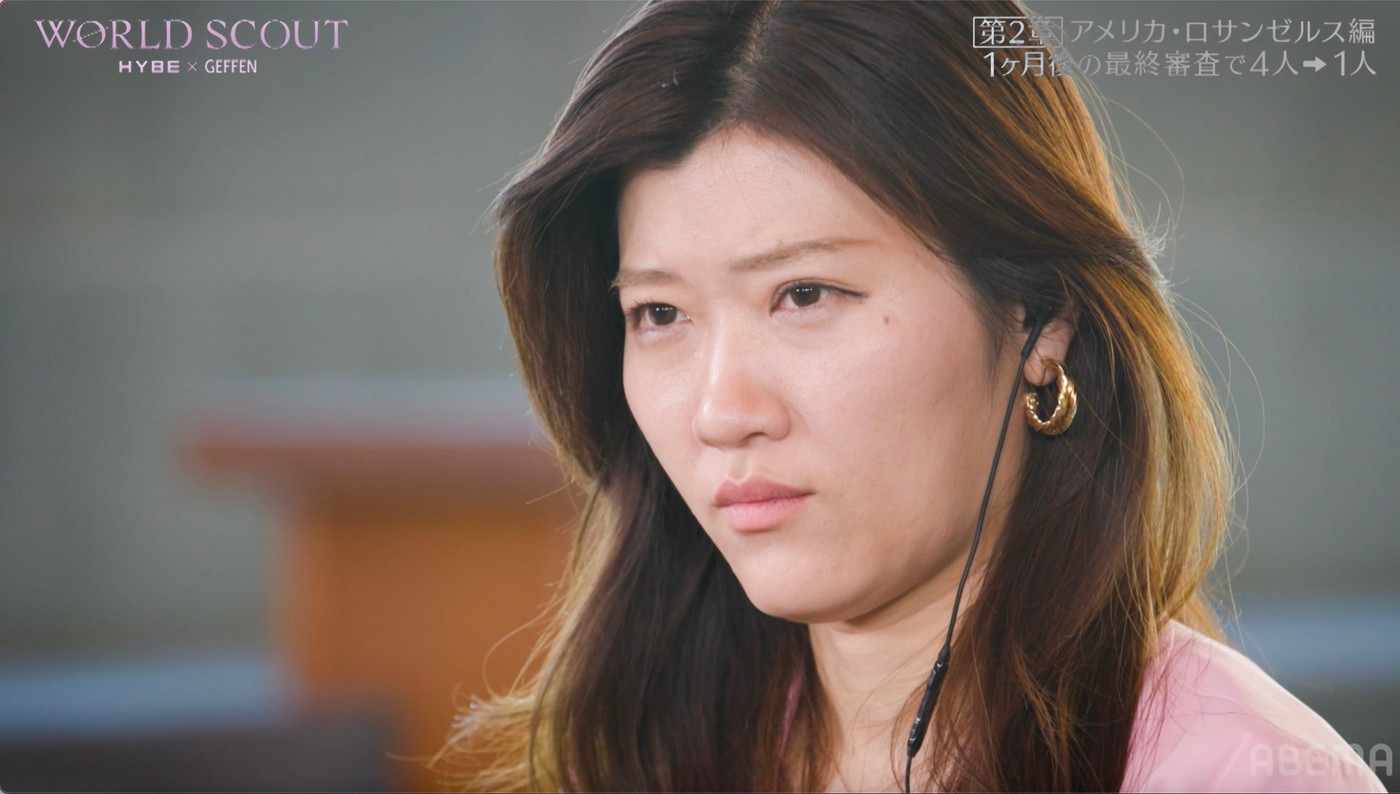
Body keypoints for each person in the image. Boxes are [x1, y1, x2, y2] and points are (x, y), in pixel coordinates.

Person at [432, 1, 1387, 791]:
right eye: (659, 314)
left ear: (1041, 319)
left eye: (805, 294)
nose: (721, 411)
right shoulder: (637, 746)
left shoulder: (1238, 774)